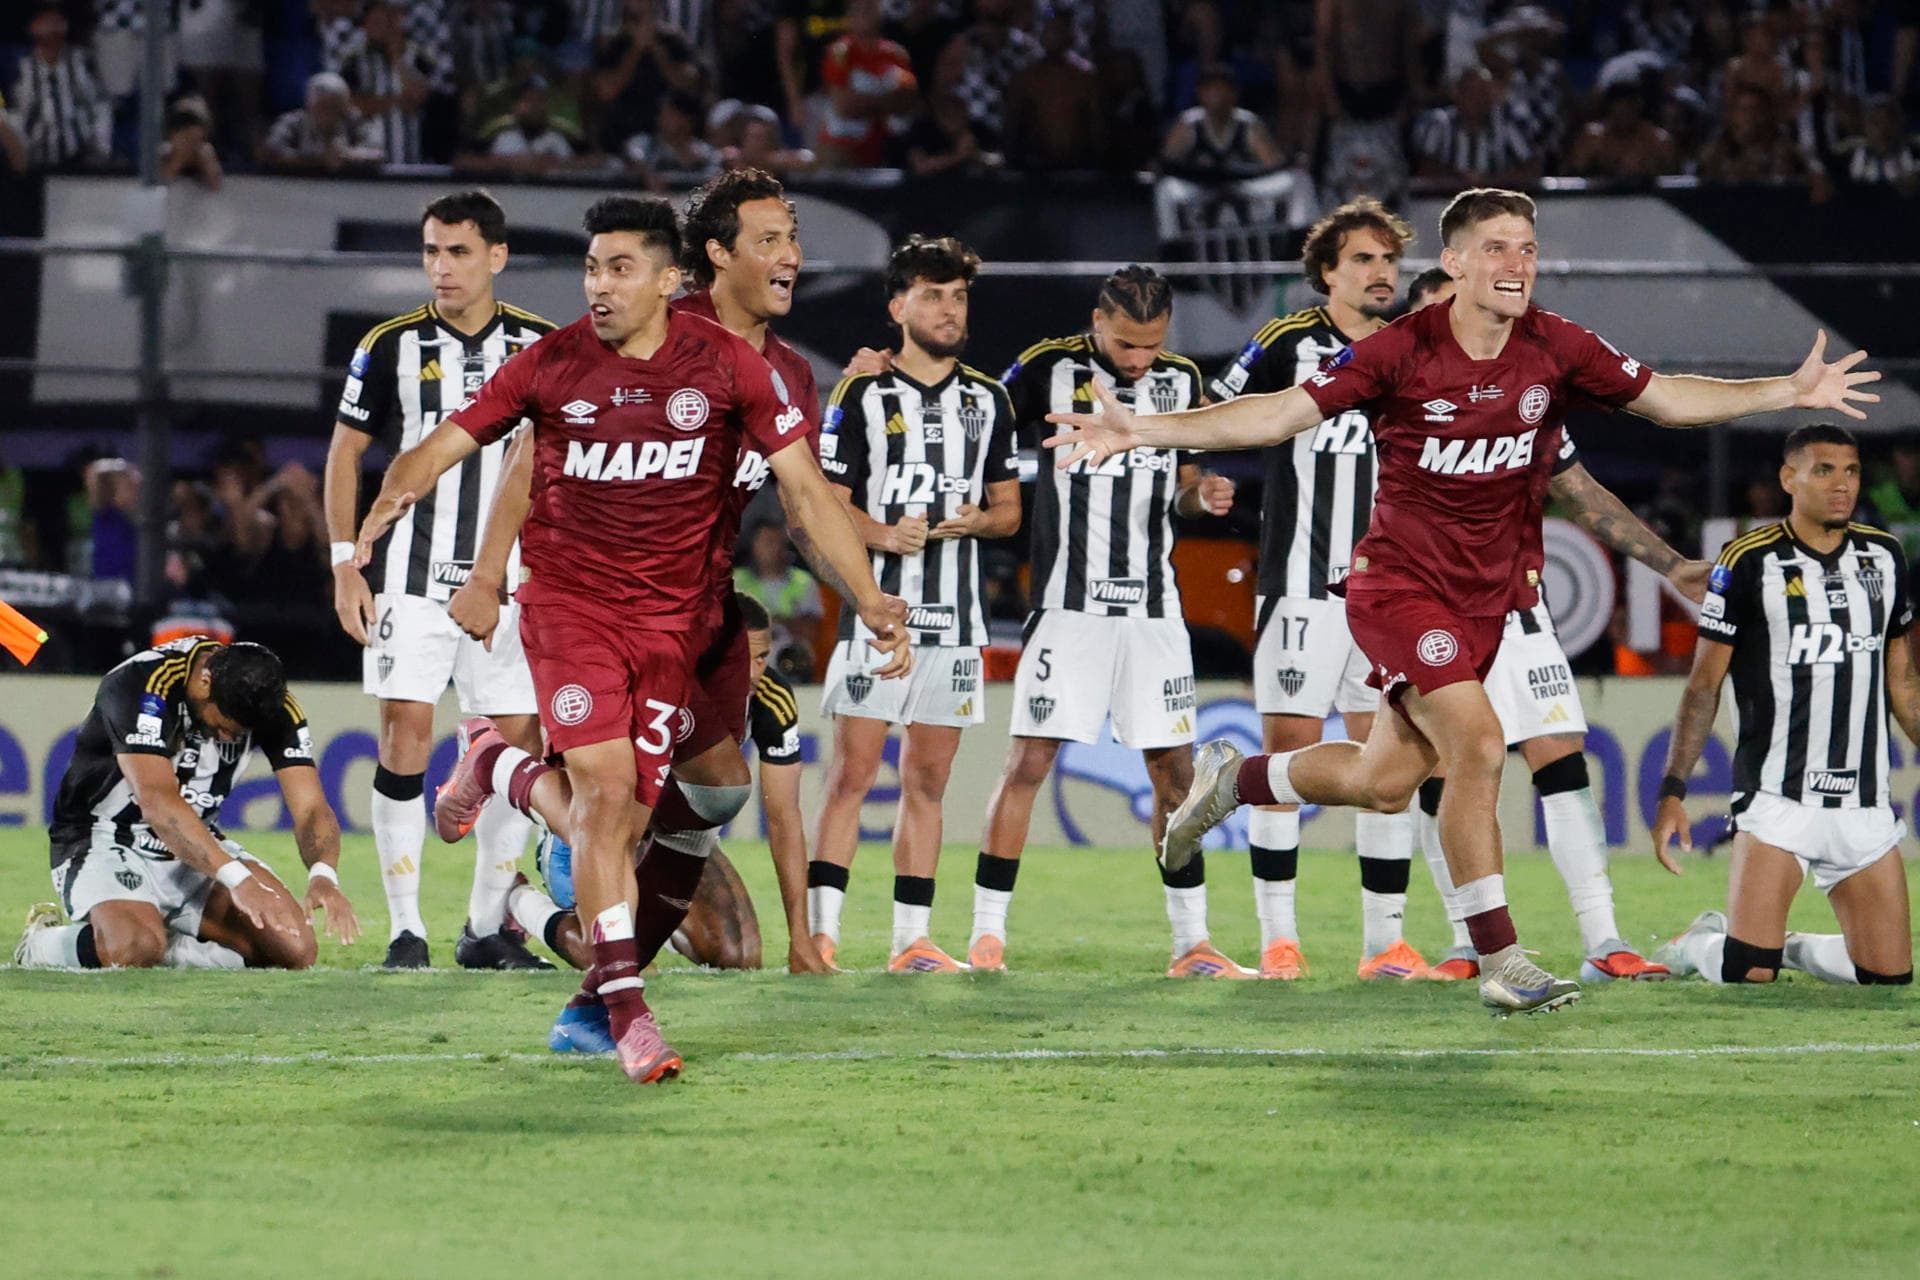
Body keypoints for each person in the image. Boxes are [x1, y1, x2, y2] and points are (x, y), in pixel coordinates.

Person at [1043, 186, 1880, 1016]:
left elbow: (1665, 397)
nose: (1517, 264)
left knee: (1382, 783)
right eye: (1497, 247)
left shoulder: (1556, 345)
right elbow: (1276, 416)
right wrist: (1145, 430)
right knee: (1478, 744)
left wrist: (1786, 391)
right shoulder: (1403, 349)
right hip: (1399, 587)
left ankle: (1238, 779)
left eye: (1527, 247)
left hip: (1487, 604)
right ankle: (1503, 959)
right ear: (1454, 262)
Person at [355, 195, 908, 1083]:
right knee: (611, 804)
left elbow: (807, 506)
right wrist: (485, 573)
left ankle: (502, 770)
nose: (792, 256)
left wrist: (870, 594)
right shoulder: (601, 342)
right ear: (714, 259)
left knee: (706, 801)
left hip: (690, 614)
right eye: (772, 241)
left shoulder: (774, 374)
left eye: (795, 240)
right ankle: (621, 1006)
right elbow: (520, 452)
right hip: (575, 606)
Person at [1402, 268, 1705, 983]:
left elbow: (1581, 493)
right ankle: (1467, 945)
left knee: (1559, 752)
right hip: (1426, 606)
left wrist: (1668, 564)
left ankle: (1604, 941)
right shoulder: (1388, 394)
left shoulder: (1520, 393)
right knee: (1442, 768)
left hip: (1516, 602)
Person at [973, 266, 1236, 975]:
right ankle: (986, 935)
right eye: (1125, 344)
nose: (1138, 360)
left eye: (1151, 346)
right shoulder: (1048, 368)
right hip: (1069, 606)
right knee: (1029, 760)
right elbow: (978, 411)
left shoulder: (1183, 382)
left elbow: (1180, 492)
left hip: (1154, 611)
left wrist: (1201, 497)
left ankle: (1192, 943)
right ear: (1098, 320)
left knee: (1175, 773)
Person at [322, 190, 557, 971]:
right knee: (405, 738)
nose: (442, 267)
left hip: (514, 588)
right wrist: (345, 562)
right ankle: (404, 931)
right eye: (430, 251)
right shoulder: (388, 344)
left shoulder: (544, 346)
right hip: (413, 582)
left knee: (519, 750)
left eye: (458, 252)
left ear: (497, 256)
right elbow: (345, 454)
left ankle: (484, 928)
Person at [1205, 197, 1426, 981]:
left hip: (1391, 597)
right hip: (1300, 587)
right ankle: (1278, 940)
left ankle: (1385, 945)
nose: (1381, 274)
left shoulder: (1414, 350)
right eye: (1363, 260)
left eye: (1388, 261)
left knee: (1389, 765)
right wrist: (1203, 480)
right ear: (1327, 272)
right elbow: (1215, 412)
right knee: (1290, 757)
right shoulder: (1286, 343)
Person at [809, 235, 1020, 973]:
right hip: (879, 615)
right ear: (898, 306)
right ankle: (822, 934)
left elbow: (1010, 511)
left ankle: (911, 941)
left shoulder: (988, 398)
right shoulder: (861, 393)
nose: (948, 308)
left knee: (929, 782)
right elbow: (827, 509)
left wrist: (976, 522)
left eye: (958, 295)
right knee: (853, 774)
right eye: (932, 294)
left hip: (957, 625)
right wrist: (882, 535)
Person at [1655, 425, 1915, 988]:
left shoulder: (1885, 556)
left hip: (1863, 803)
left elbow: (1904, 684)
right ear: (1788, 478)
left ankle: (1790, 947)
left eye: (1851, 471)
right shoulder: (1748, 560)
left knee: (1888, 977)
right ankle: (1700, 944)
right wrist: (1673, 788)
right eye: (1824, 471)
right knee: (1748, 974)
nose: (1842, 485)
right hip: (1777, 799)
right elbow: (1703, 686)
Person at [514, 594, 806, 986]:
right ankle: (517, 901)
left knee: (739, 957)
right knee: (614, 959)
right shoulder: (665, 680)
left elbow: (784, 817)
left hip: (672, 833)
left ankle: (658, 929)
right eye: (742, 659)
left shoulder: (771, 697)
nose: (753, 673)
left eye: (761, 657)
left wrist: (800, 936)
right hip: (597, 828)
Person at [16, 639, 359, 971]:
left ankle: (155, 940)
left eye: (241, 734)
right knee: (131, 947)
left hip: (194, 844)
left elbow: (311, 808)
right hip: (104, 836)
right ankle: (41, 944)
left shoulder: (274, 706)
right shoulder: (142, 684)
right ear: (206, 681)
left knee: (295, 949)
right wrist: (238, 879)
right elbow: (158, 804)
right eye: (224, 726)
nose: (229, 739)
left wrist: (323, 875)